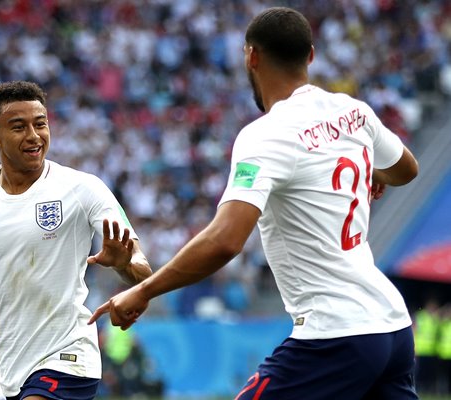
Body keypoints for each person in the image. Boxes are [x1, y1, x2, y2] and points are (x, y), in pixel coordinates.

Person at [90, 7, 420, 400]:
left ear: (251, 56)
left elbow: (225, 240)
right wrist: (371, 173)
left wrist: (145, 291)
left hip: (334, 334)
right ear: (311, 56)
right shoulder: (353, 111)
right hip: (392, 328)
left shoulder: (266, 135)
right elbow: (406, 169)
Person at [0, 80, 152, 400]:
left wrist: (126, 263)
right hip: (14, 368)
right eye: (18, 127)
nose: (33, 136)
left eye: (40, 124)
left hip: (70, 356)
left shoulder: (83, 188)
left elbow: (144, 271)